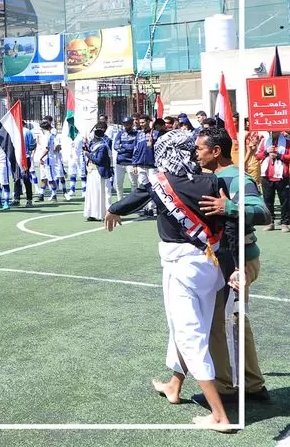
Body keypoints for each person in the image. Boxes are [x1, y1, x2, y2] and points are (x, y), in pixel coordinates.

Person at [104, 130, 232, 432]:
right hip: (210, 265)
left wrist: (112, 209)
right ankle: (175, 386)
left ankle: (219, 415)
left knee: (189, 335)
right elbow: (227, 223)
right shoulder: (214, 181)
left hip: (180, 267)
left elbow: (134, 199)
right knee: (186, 327)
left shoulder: (161, 182)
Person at [194, 125, 272, 406]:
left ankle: (226, 389)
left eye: (200, 148)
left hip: (240, 261)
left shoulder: (238, 179)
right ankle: (251, 384)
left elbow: (263, 213)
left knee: (222, 321)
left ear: (216, 151)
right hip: (222, 260)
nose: (196, 153)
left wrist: (228, 208)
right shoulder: (207, 177)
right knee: (234, 320)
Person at [257, 130, 290, 232]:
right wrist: (267, 151)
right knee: (267, 201)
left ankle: (285, 223)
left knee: (285, 201)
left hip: (282, 176)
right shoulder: (264, 141)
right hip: (266, 175)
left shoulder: (287, 141)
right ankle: (270, 222)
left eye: (275, 130)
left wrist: (279, 156)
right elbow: (258, 156)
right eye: (270, 130)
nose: (272, 132)